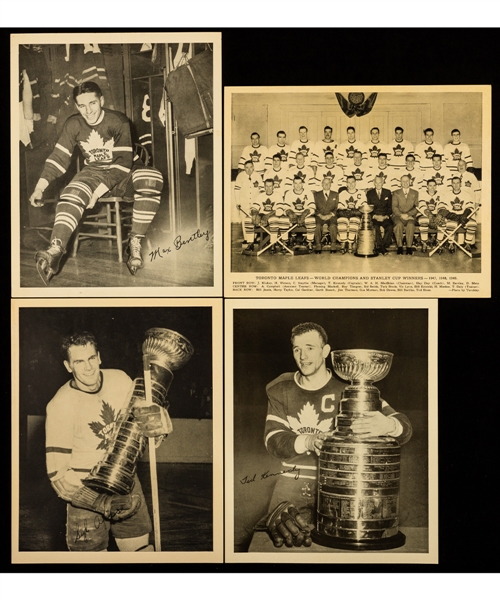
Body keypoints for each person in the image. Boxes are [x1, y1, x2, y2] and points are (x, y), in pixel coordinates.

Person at [263, 322, 412, 543]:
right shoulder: (280, 387)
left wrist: (388, 426)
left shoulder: (348, 389)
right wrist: (309, 440)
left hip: (342, 491)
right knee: (288, 547)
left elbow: (404, 426)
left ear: (325, 351)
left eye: (310, 348)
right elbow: (273, 440)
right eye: (297, 349)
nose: (303, 356)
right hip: (290, 487)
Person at [45, 331, 171, 552]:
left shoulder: (120, 380)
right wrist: (100, 502)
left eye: (92, 358)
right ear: (68, 366)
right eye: (79, 361)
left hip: (126, 482)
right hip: (84, 492)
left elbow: (144, 429)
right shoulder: (60, 405)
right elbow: (59, 478)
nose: (88, 367)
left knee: (143, 555)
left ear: (100, 357)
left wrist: (157, 427)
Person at [29, 82, 164, 284]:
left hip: (125, 173)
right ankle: (55, 250)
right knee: (71, 191)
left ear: (102, 100)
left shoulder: (118, 121)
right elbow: (59, 157)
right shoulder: (73, 124)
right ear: (76, 106)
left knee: (152, 177)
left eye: (92, 103)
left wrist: (96, 193)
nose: (88, 111)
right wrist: (40, 187)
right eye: (82, 106)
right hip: (94, 172)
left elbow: (122, 164)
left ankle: (134, 241)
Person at [438, 176, 477, 253]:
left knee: (473, 224)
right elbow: (441, 208)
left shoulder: (466, 194)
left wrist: (464, 215)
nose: (456, 185)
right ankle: (451, 243)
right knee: (451, 225)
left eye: (458, 183)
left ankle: (467, 243)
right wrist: (451, 215)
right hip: (451, 217)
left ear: (461, 184)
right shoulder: (446, 195)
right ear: (451, 184)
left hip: (463, 216)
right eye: (454, 183)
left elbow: (470, 207)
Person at [337, 174, 366, 254]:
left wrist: (353, 210)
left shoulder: (361, 193)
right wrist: (347, 208)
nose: (351, 184)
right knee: (341, 220)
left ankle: (350, 242)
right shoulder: (342, 193)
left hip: (355, 214)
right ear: (346, 184)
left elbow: (363, 207)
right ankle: (343, 242)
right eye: (349, 182)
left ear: (356, 183)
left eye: (353, 182)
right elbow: (339, 206)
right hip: (345, 214)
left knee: (354, 220)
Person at [392, 174, 419, 255]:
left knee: (411, 225)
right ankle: (400, 247)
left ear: (410, 182)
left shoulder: (415, 193)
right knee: (398, 225)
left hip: (410, 216)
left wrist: (408, 215)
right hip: (398, 216)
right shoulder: (396, 193)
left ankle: (409, 247)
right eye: (403, 181)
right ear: (400, 182)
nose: (405, 183)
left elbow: (416, 207)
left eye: (407, 181)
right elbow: (394, 207)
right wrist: (401, 215)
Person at [366, 175, 393, 255]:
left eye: (380, 182)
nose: (378, 184)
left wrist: (385, 216)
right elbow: (368, 207)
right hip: (375, 217)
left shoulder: (387, 192)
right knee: (375, 227)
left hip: (385, 216)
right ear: (374, 183)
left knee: (390, 226)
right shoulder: (369, 193)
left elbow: (390, 207)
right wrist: (375, 216)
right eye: (376, 182)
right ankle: (381, 247)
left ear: (383, 183)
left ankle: (382, 246)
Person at [313, 176, 339, 254]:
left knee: (333, 226)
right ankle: (318, 245)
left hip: (331, 216)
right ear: (322, 184)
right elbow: (313, 207)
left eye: (328, 183)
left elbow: (337, 208)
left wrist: (331, 215)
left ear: (331, 184)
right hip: (320, 216)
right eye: (324, 183)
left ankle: (333, 245)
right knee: (317, 226)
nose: (326, 185)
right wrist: (320, 215)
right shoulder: (316, 194)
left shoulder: (335, 194)